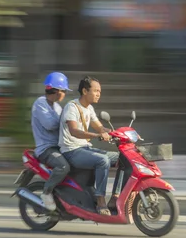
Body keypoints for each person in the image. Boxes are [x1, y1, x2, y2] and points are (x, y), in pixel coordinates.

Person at [59, 76, 120, 215]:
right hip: (72, 151)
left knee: (122, 158)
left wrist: (118, 133)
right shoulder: (72, 107)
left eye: (100, 91)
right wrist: (97, 136)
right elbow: (74, 131)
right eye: (96, 90)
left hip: (85, 149)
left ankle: (115, 198)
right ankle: (100, 202)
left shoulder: (89, 108)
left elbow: (100, 128)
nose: (99, 94)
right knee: (102, 160)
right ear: (85, 91)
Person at [31, 72, 72, 211]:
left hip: (58, 147)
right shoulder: (40, 103)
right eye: (64, 91)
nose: (65, 94)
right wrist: (66, 120)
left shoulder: (57, 106)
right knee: (63, 167)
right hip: (46, 149)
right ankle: (47, 192)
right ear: (57, 91)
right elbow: (50, 124)